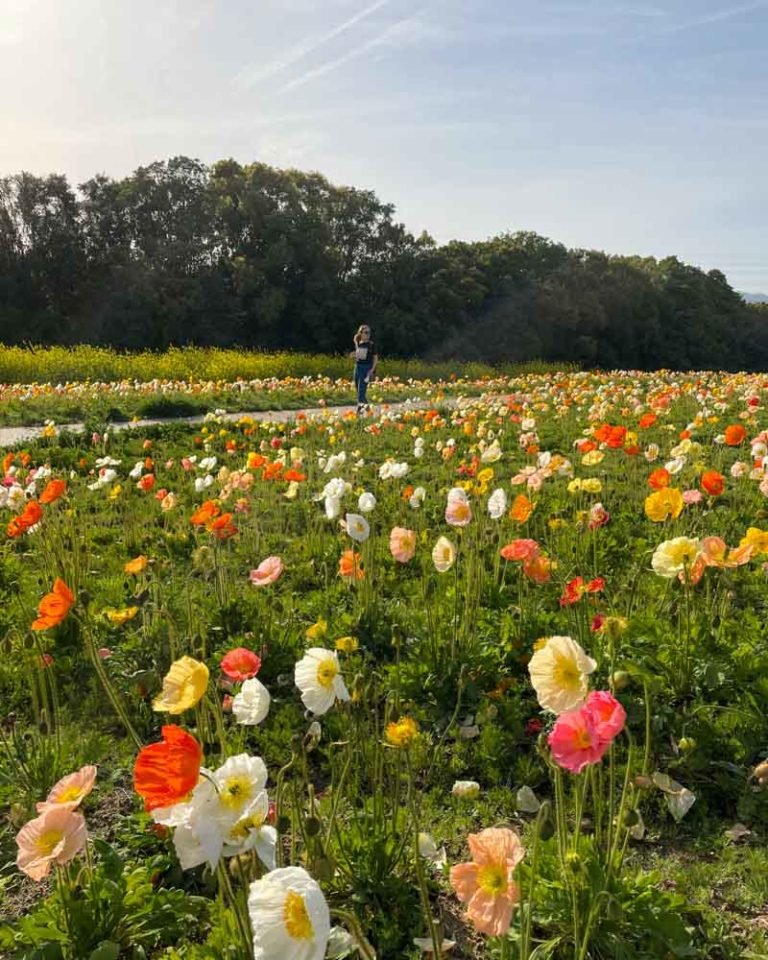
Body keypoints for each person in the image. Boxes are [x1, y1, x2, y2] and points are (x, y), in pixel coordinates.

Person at [352, 324, 377, 413]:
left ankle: (359, 413)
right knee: (358, 390)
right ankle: (369, 411)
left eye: (369, 333)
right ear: (361, 333)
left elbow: (375, 358)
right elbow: (359, 355)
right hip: (357, 367)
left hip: (366, 369)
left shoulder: (371, 345)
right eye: (366, 332)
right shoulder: (359, 343)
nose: (368, 334)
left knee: (361, 393)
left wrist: (372, 370)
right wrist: (355, 342)